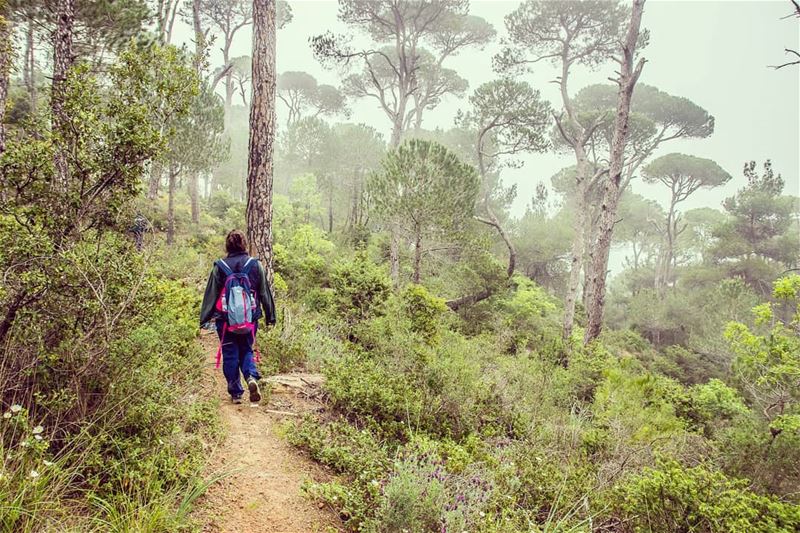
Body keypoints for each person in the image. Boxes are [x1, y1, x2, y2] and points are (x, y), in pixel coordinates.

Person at [200, 230, 276, 404]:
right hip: (250, 320)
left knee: (230, 353)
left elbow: (211, 294)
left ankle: (236, 393)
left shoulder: (219, 267)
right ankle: (250, 376)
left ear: (227, 245)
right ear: (245, 244)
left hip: (225, 321)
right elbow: (264, 292)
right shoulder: (255, 265)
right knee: (246, 350)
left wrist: (204, 318)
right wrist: (270, 316)